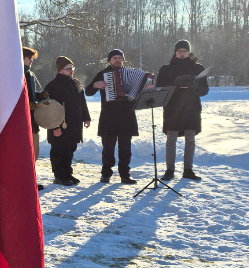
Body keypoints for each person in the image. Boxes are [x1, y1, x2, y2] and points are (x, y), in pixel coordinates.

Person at [86, 49, 143, 184]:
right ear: (109, 60)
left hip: (127, 115)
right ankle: (106, 174)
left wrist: (146, 87)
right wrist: (95, 84)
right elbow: (88, 91)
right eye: (114, 58)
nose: (117, 60)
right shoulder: (103, 74)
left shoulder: (131, 74)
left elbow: (141, 89)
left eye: (120, 58)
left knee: (125, 148)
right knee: (108, 147)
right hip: (109, 116)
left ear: (123, 60)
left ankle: (125, 174)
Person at [156, 40, 209, 181]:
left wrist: (195, 88)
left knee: (190, 139)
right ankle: (169, 170)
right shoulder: (166, 69)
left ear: (189, 52)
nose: (181, 53)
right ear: (175, 52)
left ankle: (188, 170)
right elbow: (159, 88)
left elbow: (205, 90)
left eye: (184, 51)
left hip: (191, 108)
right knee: (171, 139)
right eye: (179, 51)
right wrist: (176, 87)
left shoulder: (199, 69)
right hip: (172, 108)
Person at [43, 57, 91, 186]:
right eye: (68, 69)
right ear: (60, 71)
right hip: (59, 126)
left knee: (70, 149)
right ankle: (59, 176)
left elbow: (82, 102)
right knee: (59, 150)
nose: (71, 71)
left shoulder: (76, 83)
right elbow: (48, 109)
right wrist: (55, 127)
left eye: (72, 68)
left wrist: (86, 118)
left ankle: (68, 173)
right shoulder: (52, 86)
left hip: (75, 124)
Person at [23, 47, 46, 191]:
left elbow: (29, 95)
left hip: (32, 116)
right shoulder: (18, 72)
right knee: (26, 151)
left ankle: (30, 180)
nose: (31, 61)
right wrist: (28, 105)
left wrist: (39, 96)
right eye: (29, 58)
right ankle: (25, 181)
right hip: (24, 118)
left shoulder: (29, 72)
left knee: (33, 151)